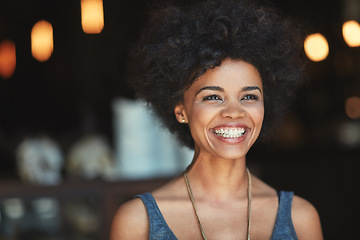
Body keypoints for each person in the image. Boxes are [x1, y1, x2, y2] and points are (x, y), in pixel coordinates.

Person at [110, 0, 323, 239]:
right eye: (213, 96)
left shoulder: (300, 218)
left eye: (249, 96)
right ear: (181, 110)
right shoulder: (138, 222)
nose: (234, 112)